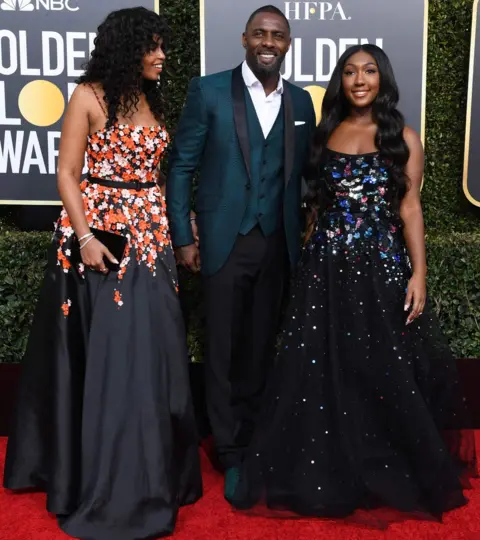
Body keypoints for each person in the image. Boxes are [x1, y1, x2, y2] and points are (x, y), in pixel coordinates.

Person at [230, 44, 477, 523]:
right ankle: (327, 467)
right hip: (324, 269)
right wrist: (304, 255)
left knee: (380, 368)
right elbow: (315, 206)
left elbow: (409, 209)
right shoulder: (326, 133)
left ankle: (382, 462)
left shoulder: (402, 137)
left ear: (381, 78)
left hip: (380, 268)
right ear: (340, 81)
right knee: (320, 368)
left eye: (368, 71)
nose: (359, 79)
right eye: (349, 72)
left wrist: (418, 273)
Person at [3, 8, 202, 540]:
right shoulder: (88, 96)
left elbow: (153, 176)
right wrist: (87, 236)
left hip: (152, 238)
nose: (162, 56)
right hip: (101, 242)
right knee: (116, 358)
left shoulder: (150, 97)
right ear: (127, 47)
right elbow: (67, 173)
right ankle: (111, 482)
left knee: (157, 351)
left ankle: (155, 473)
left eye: (162, 47)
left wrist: (182, 223)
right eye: (153, 46)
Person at [167, 4, 316, 499]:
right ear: (245, 39)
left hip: (278, 243)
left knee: (259, 346)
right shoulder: (208, 91)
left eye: (277, 35)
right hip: (224, 240)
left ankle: (253, 439)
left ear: (288, 43)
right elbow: (182, 167)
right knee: (223, 347)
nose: (268, 42)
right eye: (260, 34)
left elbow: (304, 176)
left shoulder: (301, 102)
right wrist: (184, 238)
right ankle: (228, 449)